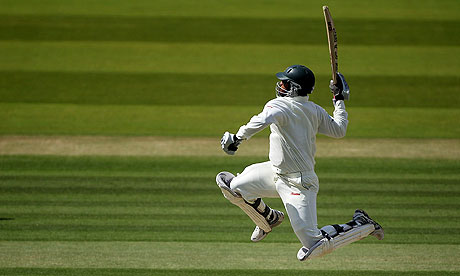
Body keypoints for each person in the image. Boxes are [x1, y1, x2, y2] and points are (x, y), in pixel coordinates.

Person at [216, 65, 384, 261]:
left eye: (285, 83)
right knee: (234, 188)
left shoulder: (280, 105)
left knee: (313, 245)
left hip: (299, 183)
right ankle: (269, 218)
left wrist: (236, 138)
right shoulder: (315, 110)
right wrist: (338, 100)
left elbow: (261, 120)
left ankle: (362, 224)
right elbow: (340, 129)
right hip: (275, 173)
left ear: (295, 88)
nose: (280, 86)